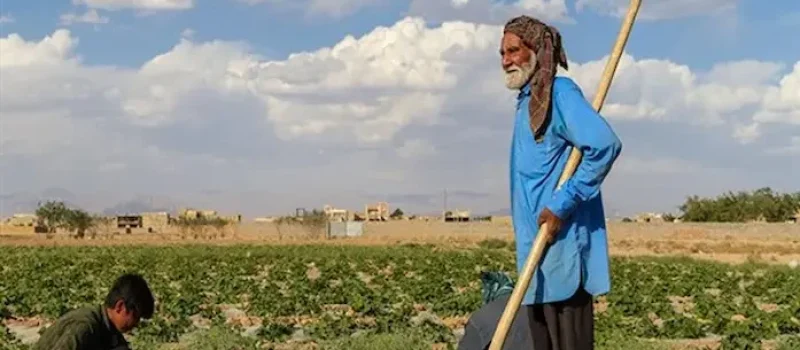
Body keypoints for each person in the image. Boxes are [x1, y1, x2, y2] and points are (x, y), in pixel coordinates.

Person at [501, 15, 622, 350]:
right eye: (502, 53)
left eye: (513, 51)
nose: (505, 60)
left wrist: (561, 204)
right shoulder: (526, 102)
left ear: (537, 51)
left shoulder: (561, 94)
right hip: (535, 263)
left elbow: (604, 145)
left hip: (562, 252)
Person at [33, 273, 155, 350]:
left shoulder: (110, 330)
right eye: (136, 317)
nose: (136, 324)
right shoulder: (83, 327)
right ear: (120, 307)